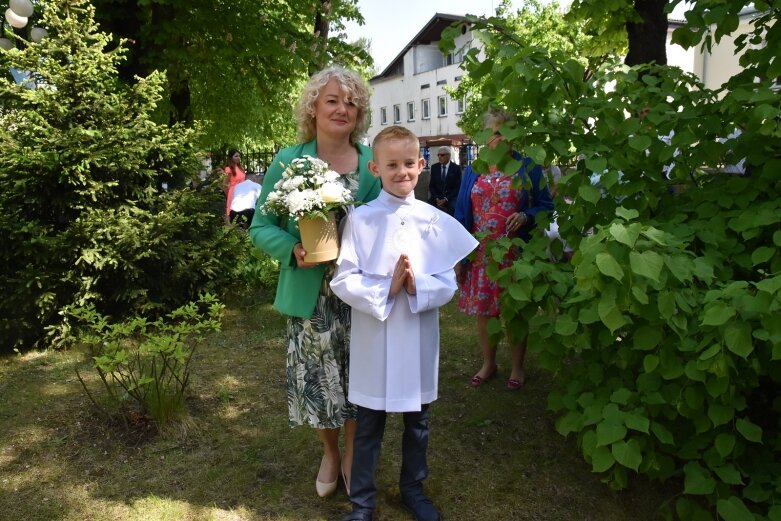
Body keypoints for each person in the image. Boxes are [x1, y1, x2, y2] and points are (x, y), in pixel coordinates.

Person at [330, 126, 478, 521]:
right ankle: (362, 502)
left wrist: (417, 286)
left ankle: (413, 488)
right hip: (375, 337)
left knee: (418, 423)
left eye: (409, 163)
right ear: (375, 168)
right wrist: (386, 289)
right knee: (368, 426)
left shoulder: (433, 220)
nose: (402, 172)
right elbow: (344, 279)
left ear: (421, 164)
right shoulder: (361, 221)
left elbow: (447, 282)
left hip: (417, 336)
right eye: (392, 165)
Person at [248, 66, 381, 498]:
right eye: (332, 100)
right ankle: (328, 450)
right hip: (311, 295)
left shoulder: (371, 167)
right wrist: (292, 249)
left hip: (359, 294)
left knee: (358, 377)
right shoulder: (289, 160)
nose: (343, 108)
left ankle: (351, 451)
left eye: (351, 102)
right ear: (314, 107)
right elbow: (260, 225)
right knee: (317, 379)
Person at [454, 109, 553, 391]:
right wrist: (460, 255)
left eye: (506, 133)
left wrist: (526, 215)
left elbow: (546, 207)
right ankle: (489, 363)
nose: (499, 139)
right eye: (494, 133)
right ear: (485, 136)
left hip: (515, 252)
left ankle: (518, 367)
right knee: (485, 312)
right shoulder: (474, 169)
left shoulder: (529, 167)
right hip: (482, 254)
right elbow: (462, 213)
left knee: (515, 311)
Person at [427, 146, 462, 215]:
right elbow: (432, 186)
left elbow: (457, 187)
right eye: (438, 155)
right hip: (437, 198)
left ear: (449, 155)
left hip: (450, 198)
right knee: (427, 206)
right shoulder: (434, 167)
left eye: (442, 155)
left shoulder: (456, 168)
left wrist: (446, 199)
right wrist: (436, 198)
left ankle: (451, 225)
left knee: (453, 208)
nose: (439, 157)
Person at [224, 149, 246, 221]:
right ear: (231, 158)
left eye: (239, 156)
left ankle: (243, 231)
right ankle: (230, 230)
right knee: (232, 213)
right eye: (236, 156)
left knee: (243, 212)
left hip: (242, 193)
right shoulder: (228, 169)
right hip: (233, 193)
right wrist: (229, 195)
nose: (238, 158)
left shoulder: (241, 168)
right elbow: (225, 184)